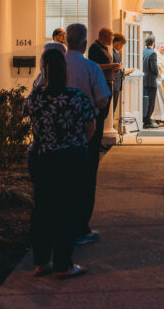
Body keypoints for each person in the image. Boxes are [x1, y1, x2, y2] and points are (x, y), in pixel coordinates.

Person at [34, 24, 110, 247]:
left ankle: (56, 231)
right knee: (85, 181)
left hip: (50, 137)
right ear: (85, 43)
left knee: (56, 185)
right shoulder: (91, 68)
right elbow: (102, 100)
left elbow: (34, 99)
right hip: (84, 133)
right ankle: (79, 228)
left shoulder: (49, 73)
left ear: (66, 41)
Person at [23, 48, 94, 279]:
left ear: (44, 70)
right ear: (64, 70)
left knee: (42, 209)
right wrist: (75, 141)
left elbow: (27, 119)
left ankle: (41, 262)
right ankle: (63, 264)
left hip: (42, 158)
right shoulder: (75, 98)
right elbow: (90, 127)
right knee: (68, 209)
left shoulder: (34, 98)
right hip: (70, 158)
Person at [89, 27, 120, 147]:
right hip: (100, 82)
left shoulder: (105, 48)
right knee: (100, 114)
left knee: (104, 113)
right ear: (104, 35)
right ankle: (95, 142)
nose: (113, 38)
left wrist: (114, 69)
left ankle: (99, 140)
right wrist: (111, 65)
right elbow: (95, 65)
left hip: (108, 81)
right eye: (111, 35)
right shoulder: (95, 48)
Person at [141, 35, 158, 128]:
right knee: (151, 102)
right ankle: (147, 121)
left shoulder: (143, 52)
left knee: (145, 101)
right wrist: (156, 75)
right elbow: (154, 68)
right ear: (153, 43)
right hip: (151, 81)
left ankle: (145, 119)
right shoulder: (153, 53)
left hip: (143, 80)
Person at [110, 33, 127, 121]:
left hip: (117, 83)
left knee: (114, 106)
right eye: (121, 44)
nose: (121, 47)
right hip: (114, 82)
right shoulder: (111, 52)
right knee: (112, 107)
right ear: (116, 42)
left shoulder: (116, 53)